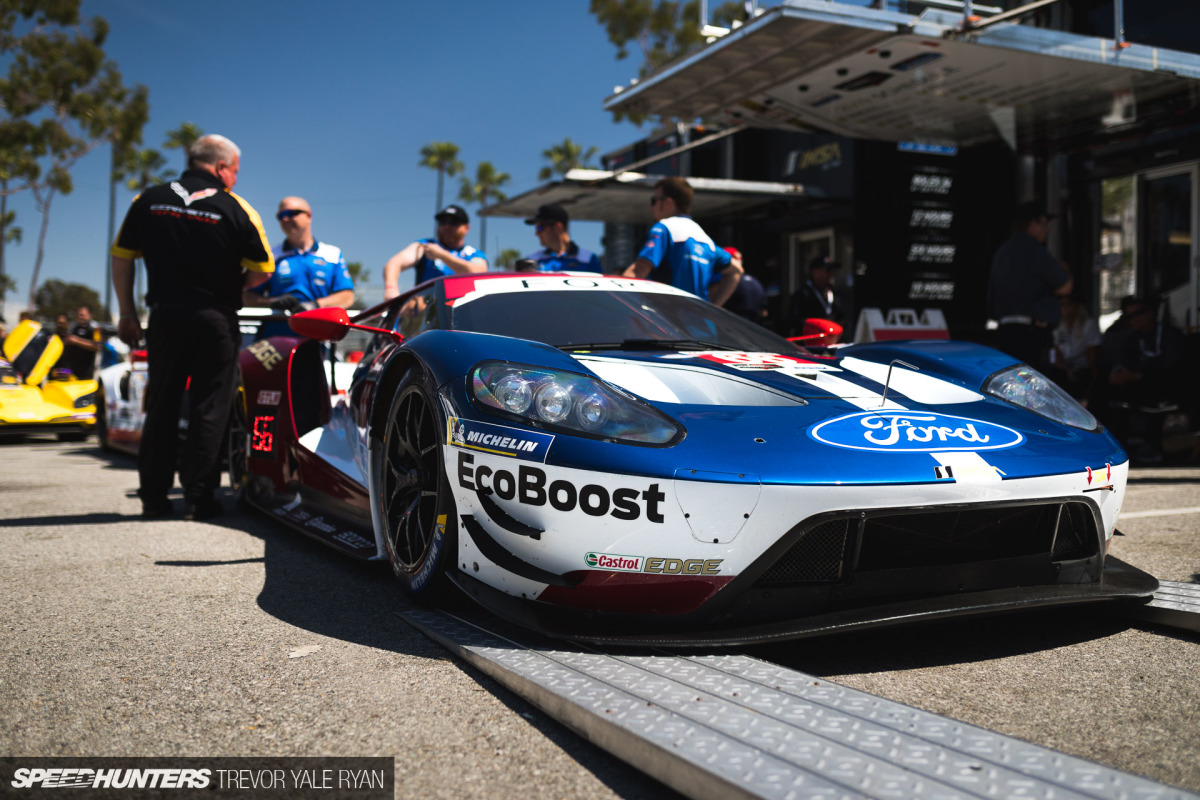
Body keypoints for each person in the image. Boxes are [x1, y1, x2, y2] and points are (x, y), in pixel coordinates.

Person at [111, 133, 274, 520]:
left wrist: (126, 313)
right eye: (235, 170)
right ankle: (199, 499)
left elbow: (122, 257)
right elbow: (261, 272)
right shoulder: (237, 208)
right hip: (216, 318)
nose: (235, 178)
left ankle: (153, 498)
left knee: (163, 403)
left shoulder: (148, 199)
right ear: (221, 168)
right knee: (210, 406)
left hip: (165, 316)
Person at [243, 196, 354, 337]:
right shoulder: (272, 255)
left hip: (316, 337)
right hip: (275, 337)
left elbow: (347, 297)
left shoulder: (332, 254)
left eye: (291, 214)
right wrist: (271, 303)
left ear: (309, 215)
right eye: (280, 216)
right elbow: (246, 296)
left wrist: (315, 305)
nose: (285, 219)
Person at [622, 177, 742, 305]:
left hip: (668, 319)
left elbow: (635, 274)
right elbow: (736, 270)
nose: (651, 207)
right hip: (700, 321)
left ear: (667, 202)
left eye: (654, 201)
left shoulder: (664, 228)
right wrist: (714, 306)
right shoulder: (706, 240)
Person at [987, 201, 1073, 372]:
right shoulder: (1033, 249)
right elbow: (1065, 287)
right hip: (1031, 334)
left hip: (1005, 331)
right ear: (1034, 224)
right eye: (1044, 224)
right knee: (1034, 388)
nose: (1047, 230)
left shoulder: (1002, 252)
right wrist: (1063, 269)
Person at [1106, 295, 1185, 464]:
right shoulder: (1132, 338)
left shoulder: (1170, 335)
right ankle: (1110, 447)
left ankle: (1152, 446)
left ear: (1150, 314)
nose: (1134, 319)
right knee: (1104, 390)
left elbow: (1172, 369)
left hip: (1167, 388)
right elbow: (1124, 363)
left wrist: (1137, 375)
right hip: (1137, 387)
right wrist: (1117, 373)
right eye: (1129, 316)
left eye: (1139, 313)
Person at [383, 205, 488, 299]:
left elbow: (477, 273)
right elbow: (395, 263)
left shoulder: (474, 254)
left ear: (466, 228)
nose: (447, 226)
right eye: (443, 223)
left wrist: (441, 255)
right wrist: (391, 288)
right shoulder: (425, 245)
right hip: (426, 313)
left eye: (453, 223)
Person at [520, 203, 602, 273]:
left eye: (540, 228)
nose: (537, 233)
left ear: (558, 227)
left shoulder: (588, 259)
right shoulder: (532, 260)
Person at [1049, 294, 1101, 400]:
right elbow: (1056, 351)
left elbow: (1093, 354)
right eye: (1062, 304)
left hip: (1083, 368)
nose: (1066, 307)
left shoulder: (1088, 324)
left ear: (1077, 306)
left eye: (1069, 303)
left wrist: (1095, 377)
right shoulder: (1059, 327)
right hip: (1064, 369)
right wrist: (1066, 369)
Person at [790, 256, 847, 335]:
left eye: (832, 271)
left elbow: (842, 318)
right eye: (827, 270)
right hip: (810, 343)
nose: (831, 274)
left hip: (832, 340)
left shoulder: (834, 294)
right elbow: (795, 322)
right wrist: (820, 323)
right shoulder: (802, 295)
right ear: (815, 272)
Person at [720, 248, 768, 324]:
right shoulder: (755, 282)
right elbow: (764, 312)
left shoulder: (726, 282)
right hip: (753, 328)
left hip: (731, 326)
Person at [54, 305, 101, 379]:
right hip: (72, 372)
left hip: (87, 372)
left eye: (82, 315)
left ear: (89, 316)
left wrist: (76, 341)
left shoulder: (95, 329)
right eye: (78, 315)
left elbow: (97, 346)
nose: (80, 317)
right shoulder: (73, 328)